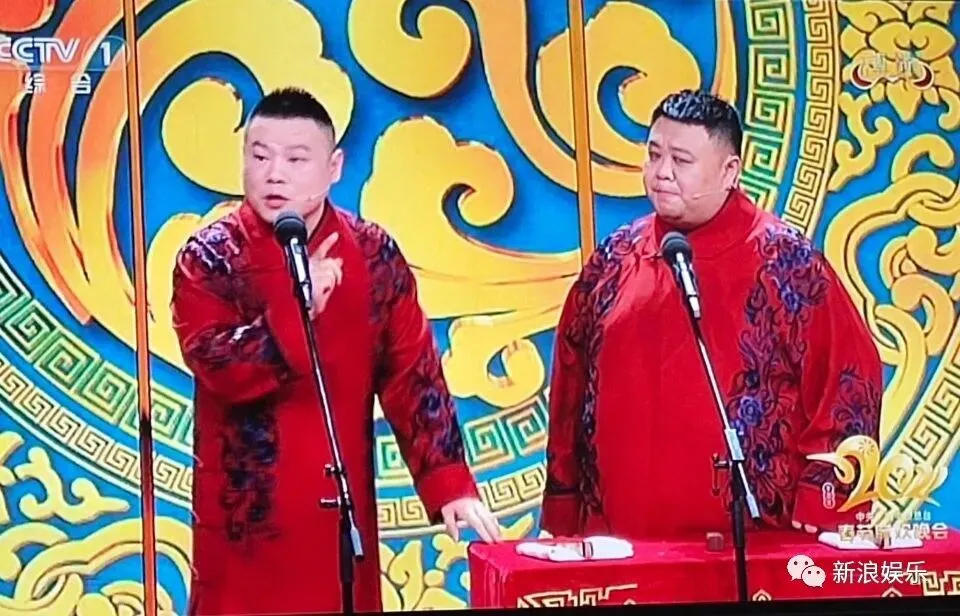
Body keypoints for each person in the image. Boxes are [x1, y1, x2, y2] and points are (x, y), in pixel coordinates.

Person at [170, 87, 501, 615]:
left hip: (339, 526)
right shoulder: (211, 256)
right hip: (243, 534)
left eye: (296, 159)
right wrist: (294, 312)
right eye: (260, 156)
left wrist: (449, 484)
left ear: (334, 168)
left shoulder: (373, 255)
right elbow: (217, 365)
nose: (274, 175)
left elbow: (413, 375)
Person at [540, 89, 882, 541]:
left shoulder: (784, 262)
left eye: (681, 160)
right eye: (654, 155)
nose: (662, 173)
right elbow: (570, 388)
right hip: (620, 541)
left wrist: (826, 499)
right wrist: (563, 511)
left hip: (752, 543)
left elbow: (848, 376)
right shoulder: (615, 259)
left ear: (729, 171)